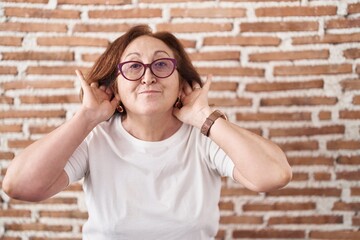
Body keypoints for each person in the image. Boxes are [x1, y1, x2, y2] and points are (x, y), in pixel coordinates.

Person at [3, 25, 292, 240]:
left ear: (181, 83)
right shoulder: (96, 139)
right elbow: (19, 186)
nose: (148, 76)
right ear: (115, 86)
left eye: (162, 64)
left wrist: (206, 117)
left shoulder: (204, 139)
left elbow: (274, 175)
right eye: (133, 66)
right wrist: (86, 118)